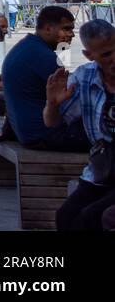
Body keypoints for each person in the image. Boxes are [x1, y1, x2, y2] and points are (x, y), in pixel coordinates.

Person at [48, 20, 115, 231]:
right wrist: (52, 104)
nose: (114, 60)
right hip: (102, 169)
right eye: (106, 55)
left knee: (93, 217)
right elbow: (52, 122)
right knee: (65, 217)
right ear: (89, 56)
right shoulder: (84, 77)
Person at [2, 5, 86, 150]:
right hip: (43, 134)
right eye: (66, 29)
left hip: (25, 132)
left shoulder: (24, 47)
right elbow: (70, 101)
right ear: (48, 29)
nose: (72, 34)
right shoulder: (45, 57)